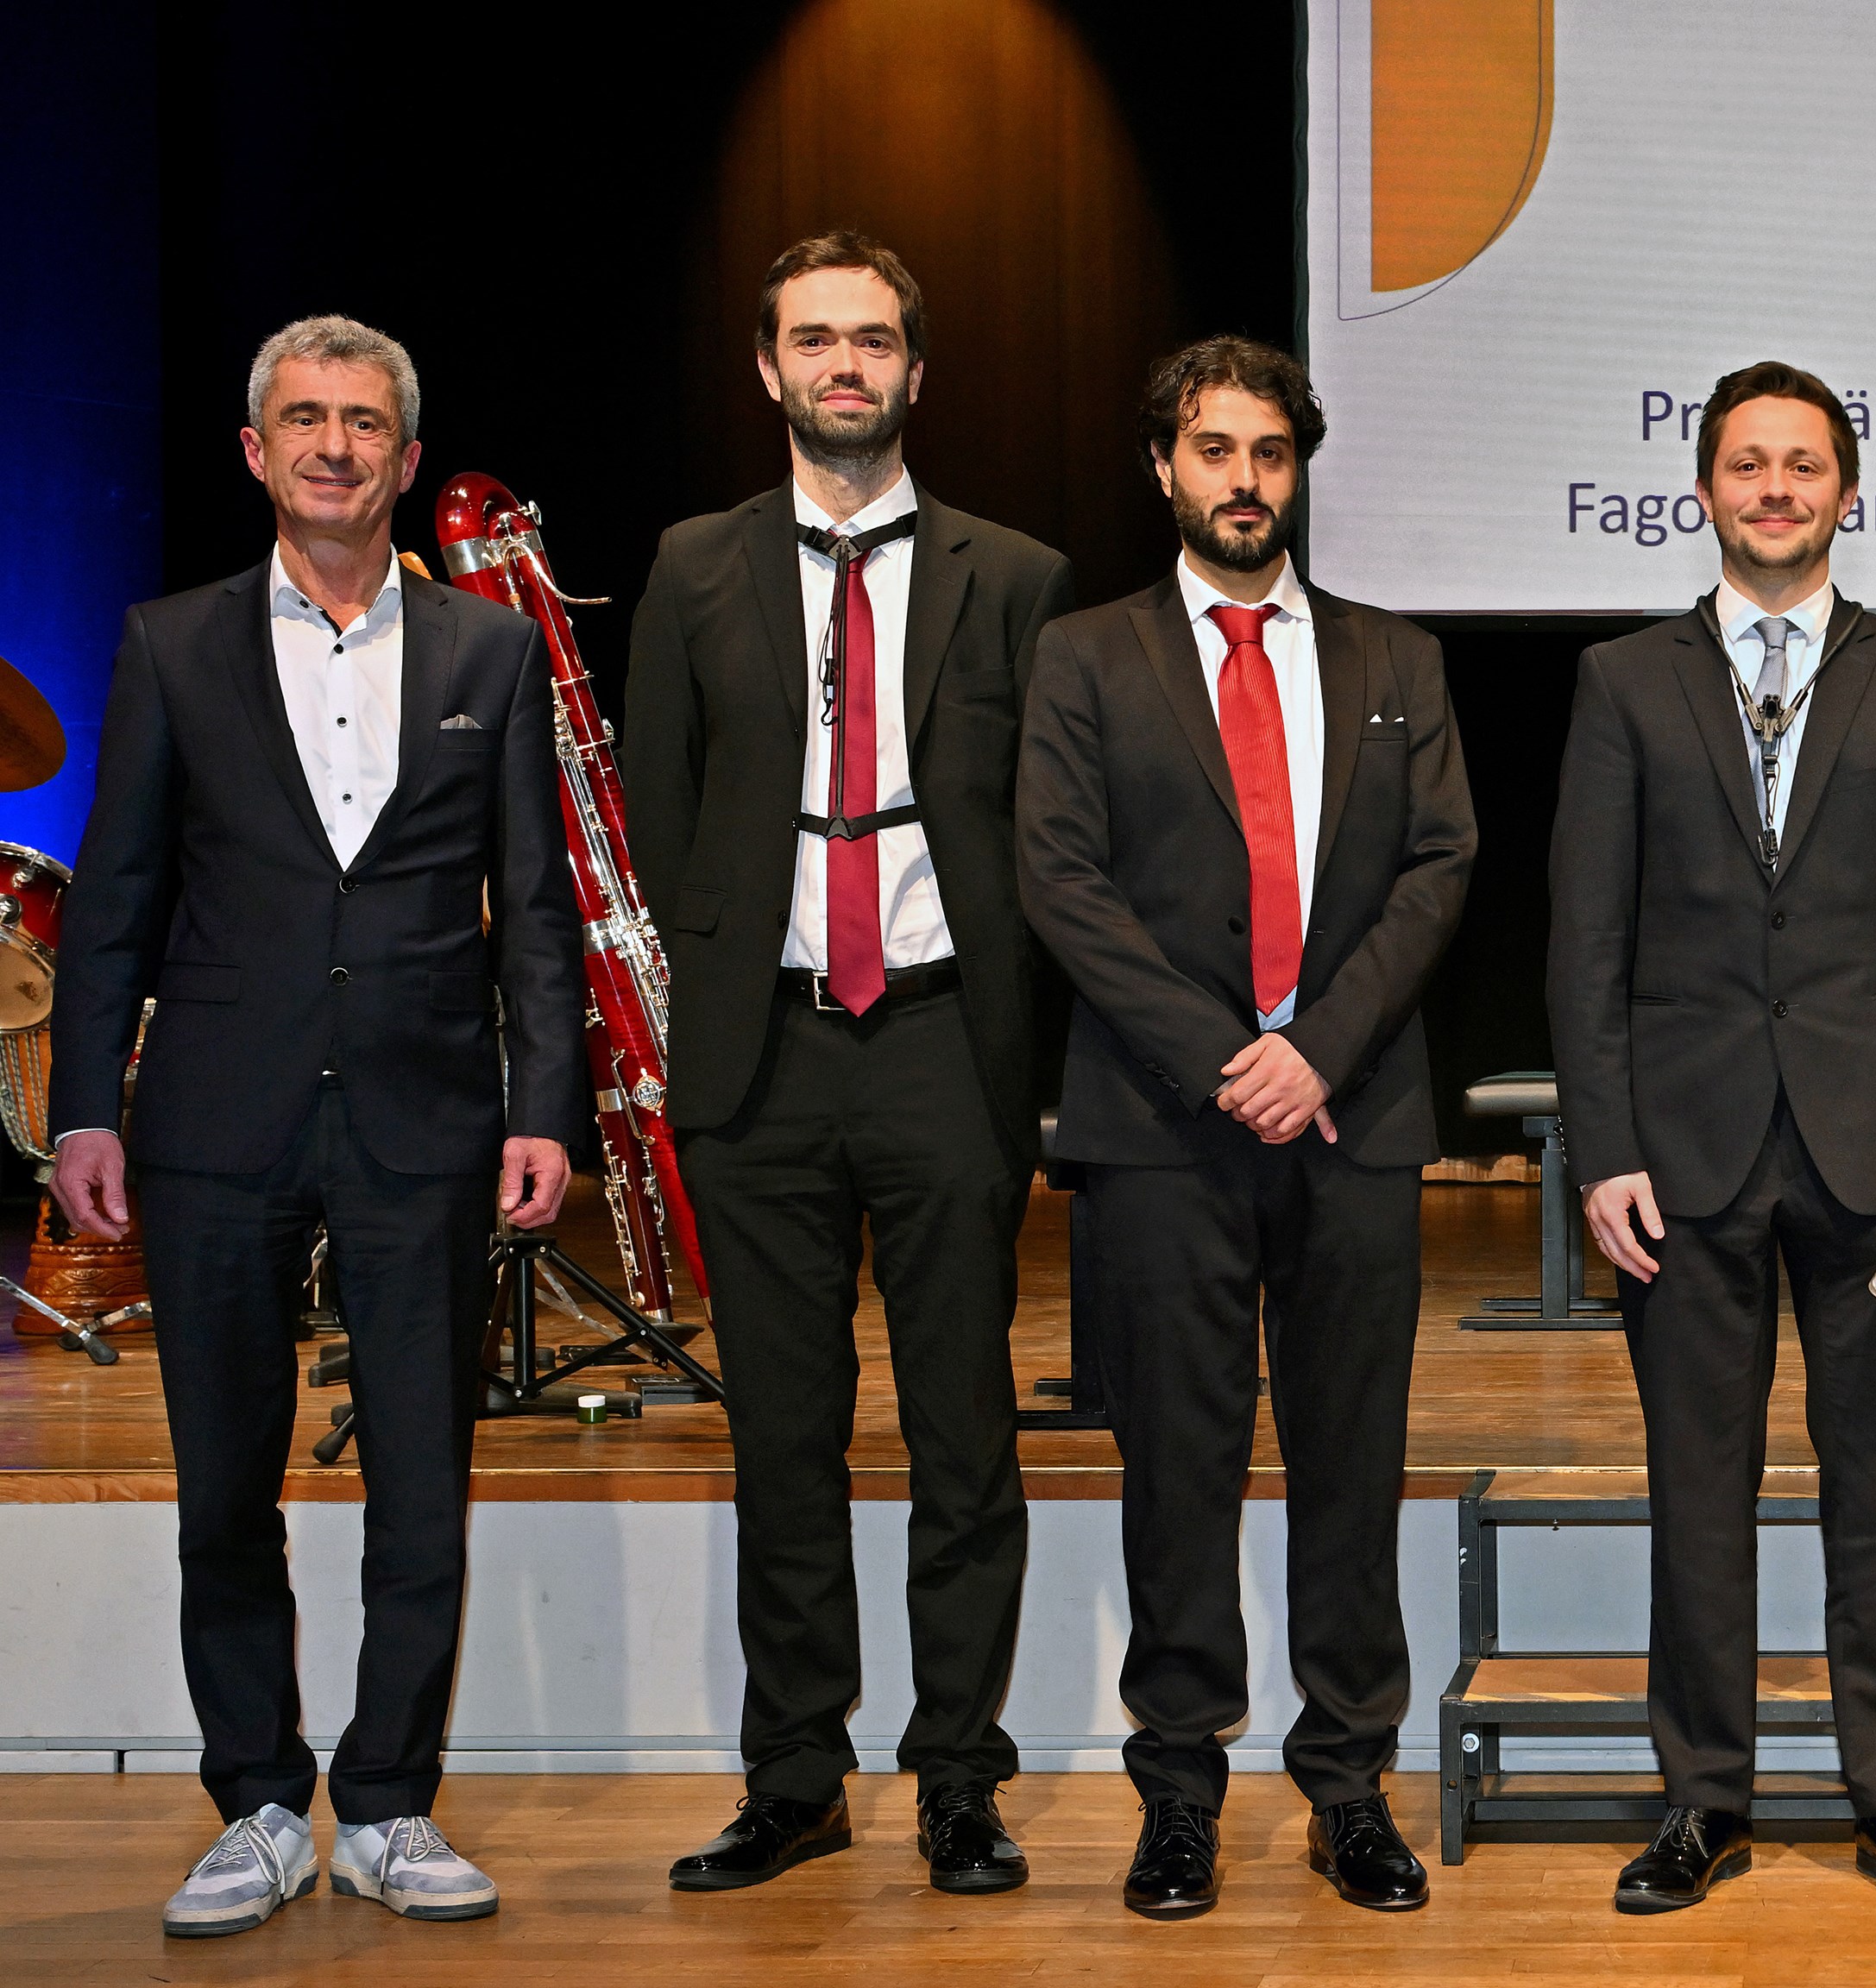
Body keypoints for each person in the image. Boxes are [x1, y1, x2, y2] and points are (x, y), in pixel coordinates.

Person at [50, 316, 582, 1936]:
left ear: (407, 461)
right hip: (218, 1117)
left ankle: (395, 1802)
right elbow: (118, 903)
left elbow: (538, 912)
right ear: (257, 452)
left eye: (366, 423)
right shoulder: (168, 644)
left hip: (427, 1117)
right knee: (227, 1483)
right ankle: (259, 1800)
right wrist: (86, 1109)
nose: (336, 446)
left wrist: (544, 1101)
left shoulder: (490, 656)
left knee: (423, 1480)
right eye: (306, 419)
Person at [621, 231, 1075, 1897]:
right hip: (764, 1058)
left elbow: (1048, 836)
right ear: (769, 368)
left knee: (965, 1437)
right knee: (782, 1444)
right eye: (814, 340)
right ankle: (794, 1775)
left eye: (873, 340)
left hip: (949, 1048)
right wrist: (739, 968)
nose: (844, 367)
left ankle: (962, 1776)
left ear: (914, 371)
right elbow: (664, 808)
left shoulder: (1015, 574)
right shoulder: (691, 564)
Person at [1016, 335, 1475, 1919]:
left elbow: (1438, 874)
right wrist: (1227, 1059)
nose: (1245, 481)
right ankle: (1181, 1793)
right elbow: (1061, 883)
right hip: (1163, 1129)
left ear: (1300, 469)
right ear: (1166, 469)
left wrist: (1316, 1052)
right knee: (1180, 1469)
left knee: (1353, 1464)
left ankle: (1351, 1784)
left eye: (1270, 453)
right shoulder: (1083, 659)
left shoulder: (1398, 660)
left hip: (1351, 1120)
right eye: (1214, 451)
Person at [1549, 361, 1876, 1916]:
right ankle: (1703, 1798)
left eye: (1802, 466)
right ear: (1702, 493)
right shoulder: (1624, 681)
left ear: (1849, 491)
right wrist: (1601, 1146)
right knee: (1698, 1487)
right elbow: (1583, 941)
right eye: (1745, 465)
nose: (1773, 489)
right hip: (1677, 1166)